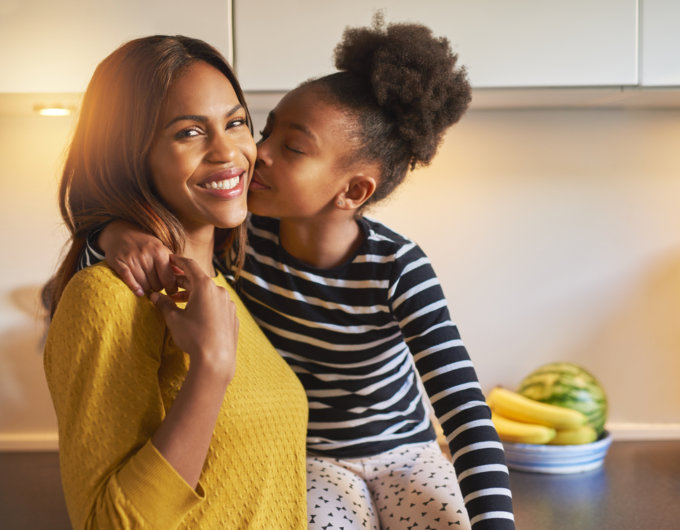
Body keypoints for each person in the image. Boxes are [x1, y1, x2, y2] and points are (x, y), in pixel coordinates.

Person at [86, 18, 515, 530]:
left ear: (353, 192)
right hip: (310, 460)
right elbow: (109, 271)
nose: (257, 152)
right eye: (265, 130)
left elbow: (464, 409)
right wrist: (111, 233)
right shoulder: (238, 238)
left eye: (292, 147)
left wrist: (494, 522)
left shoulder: (397, 268)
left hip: (406, 452)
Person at [42, 35, 308, 529]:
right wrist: (210, 367)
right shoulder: (107, 299)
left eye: (236, 123)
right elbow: (107, 523)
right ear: (129, 155)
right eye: (189, 133)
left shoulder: (226, 287)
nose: (228, 152)